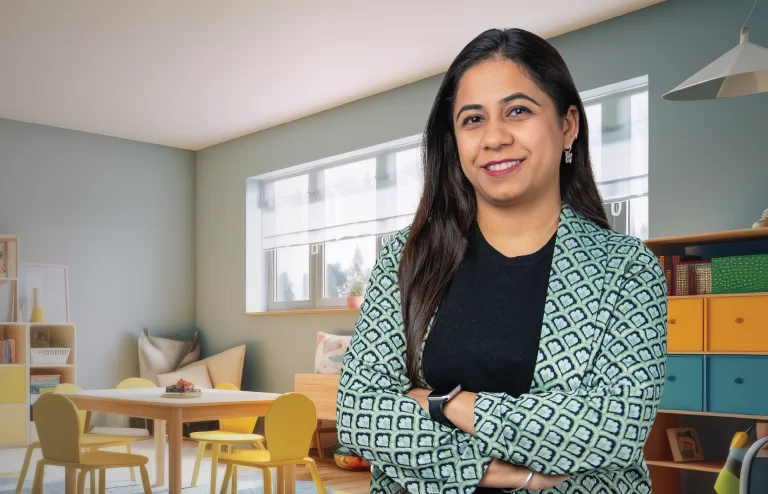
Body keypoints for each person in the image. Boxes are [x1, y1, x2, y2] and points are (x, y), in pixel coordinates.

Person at [336, 27, 667, 493]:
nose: (493, 137)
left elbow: (613, 430)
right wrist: (488, 470)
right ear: (454, 141)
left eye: (517, 111)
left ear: (567, 124)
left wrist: (447, 404)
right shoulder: (409, 257)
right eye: (472, 119)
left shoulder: (627, 269)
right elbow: (358, 415)